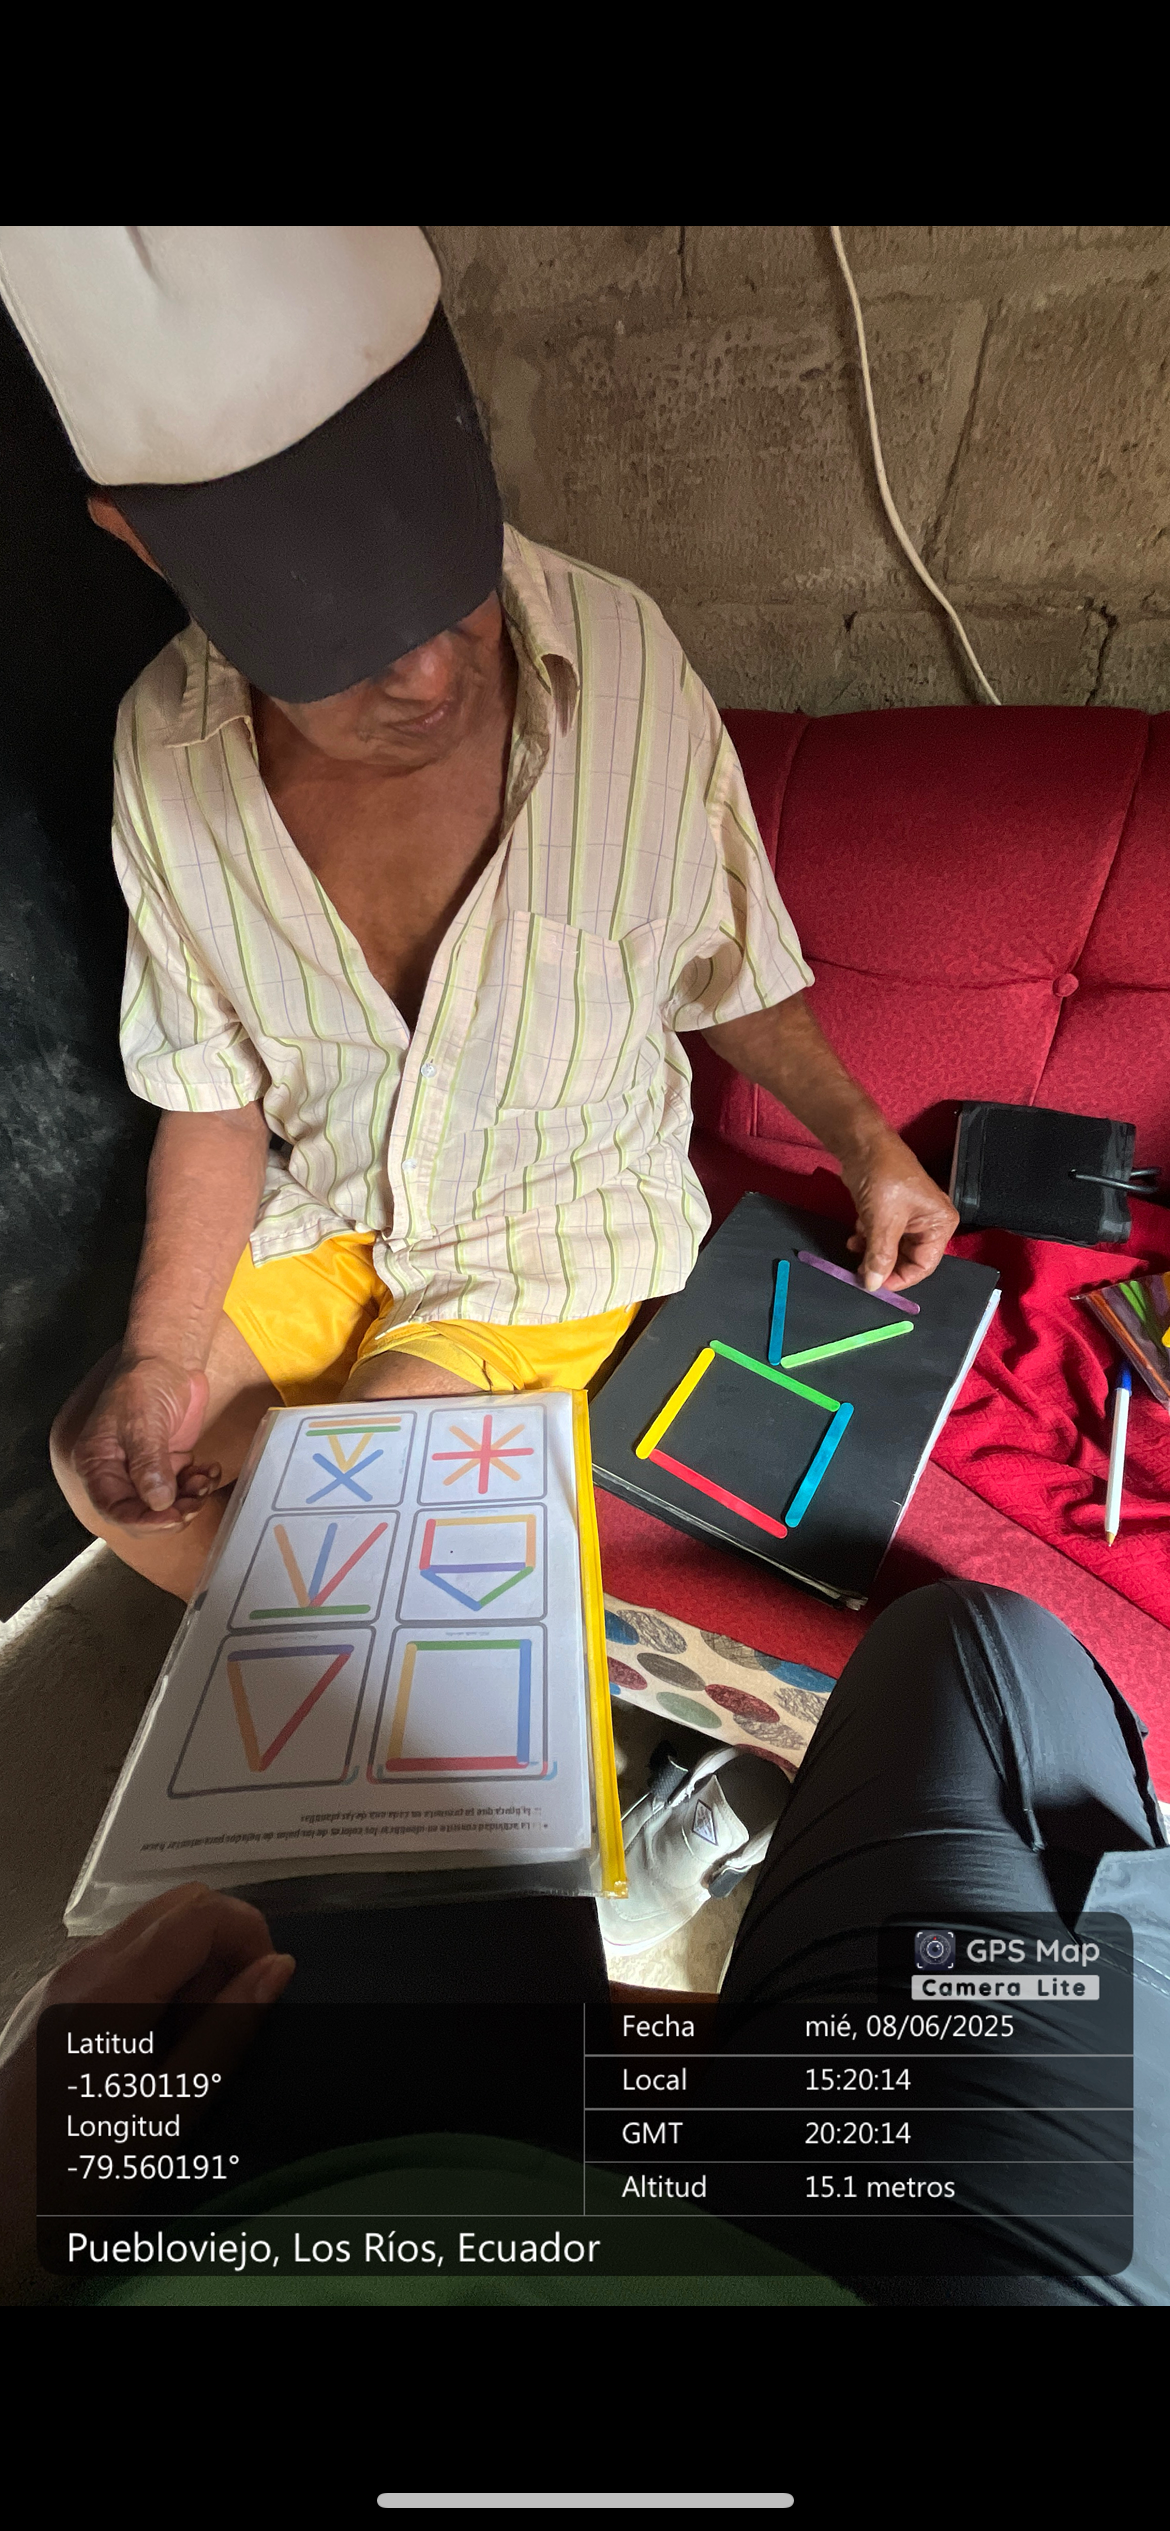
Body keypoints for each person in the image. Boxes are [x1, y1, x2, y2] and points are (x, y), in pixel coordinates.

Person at [0, 227, 958, 1603]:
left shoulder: (620, 656)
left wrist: (869, 1146)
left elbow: (722, 961)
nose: (429, 679)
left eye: (454, 603)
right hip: (332, 1220)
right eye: (340, 648)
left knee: (345, 1509)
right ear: (141, 542)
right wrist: (158, 1356)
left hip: (544, 1243)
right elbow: (211, 1096)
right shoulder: (165, 745)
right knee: (105, 1461)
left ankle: (379, 1631)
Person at [3, 1583, 1165, 2307]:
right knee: (978, 1651)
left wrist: (12, 2224)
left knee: (277, 1933)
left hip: (307, 2233)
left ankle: (641, 1994)